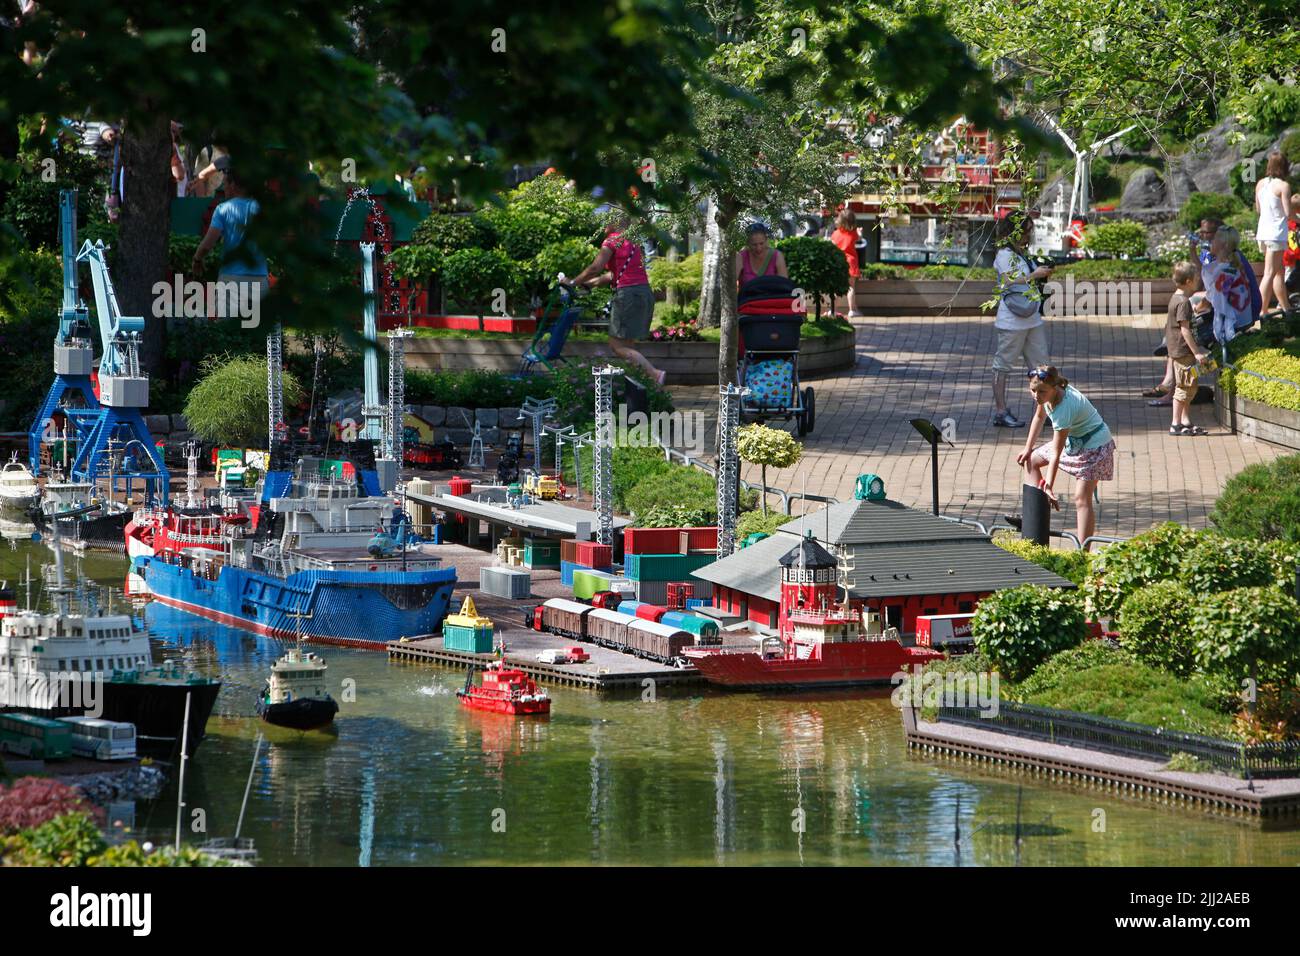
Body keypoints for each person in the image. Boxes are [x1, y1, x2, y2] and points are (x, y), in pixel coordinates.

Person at [1016, 366, 1116, 550]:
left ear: (1055, 388)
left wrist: (1049, 484)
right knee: (1031, 460)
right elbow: (1039, 418)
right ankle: (1034, 521)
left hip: (1095, 446)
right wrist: (1027, 448)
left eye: (1041, 392)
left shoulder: (1064, 409)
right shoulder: (1046, 394)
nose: (1037, 396)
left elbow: (1056, 451)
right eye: (1033, 390)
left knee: (1081, 498)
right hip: (1075, 441)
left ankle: (1082, 553)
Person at [569, 210, 666, 385]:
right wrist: (590, 284)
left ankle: (654, 374)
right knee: (628, 346)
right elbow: (614, 276)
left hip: (627, 296)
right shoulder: (634, 242)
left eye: (605, 221)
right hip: (643, 294)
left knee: (617, 346)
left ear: (614, 222)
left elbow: (595, 268)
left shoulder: (612, 241)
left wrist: (573, 282)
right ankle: (639, 385)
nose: (603, 225)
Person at [990, 212, 1053, 428]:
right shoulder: (1004, 255)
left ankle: (1046, 411)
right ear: (1014, 232)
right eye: (1026, 231)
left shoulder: (1021, 255)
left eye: (1030, 231)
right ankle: (1000, 411)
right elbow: (1008, 281)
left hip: (1032, 318)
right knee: (1003, 365)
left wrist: (1041, 273)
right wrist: (1034, 275)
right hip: (1012, 321)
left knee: (1041, 364)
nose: (1029, 236)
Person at [191, 167, 269, 298]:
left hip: (231, 281)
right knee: (259, 319)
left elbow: (207, 245)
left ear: (233, 185)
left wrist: (197, 260)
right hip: (260, 281)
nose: (223, 188)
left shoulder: (222, 209)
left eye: (225, 183)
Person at [1165, 262, 1210, 436]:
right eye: (1197, 278)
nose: (1199, 281)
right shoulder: (1183, 302)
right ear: (1189, 281)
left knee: (1189, 385)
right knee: (1184, 387)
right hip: (1183, 350)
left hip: (1178, 349)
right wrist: (1197, 352)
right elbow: (1185, 330)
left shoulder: (1175, 298)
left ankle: (1185, 420)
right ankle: (1175, 423)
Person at [1201, 225, 1255, 345]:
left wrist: (1197, 307)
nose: (1211, 241)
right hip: (1245, 317)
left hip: (1235, 324)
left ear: (1223, 245)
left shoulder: (1225, 272)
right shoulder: (1234, 264)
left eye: (1214, 239)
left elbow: (1215, 301)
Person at [1255, 150, 1293, 317]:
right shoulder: (1283, 186)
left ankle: (1286, 308)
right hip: (1276, 234)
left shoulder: (1260, 184)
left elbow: (1258, 209)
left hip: (1263, 232)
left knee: (1278, 272)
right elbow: (1288, 213)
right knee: (1270, 273)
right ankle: (1261, 312)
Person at [735, 221, 788, 290]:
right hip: (748, 299)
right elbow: (731, 282)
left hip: (772, 298)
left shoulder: (777, 256)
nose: (758, 248)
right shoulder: (741, 257)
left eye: (761, 243)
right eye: (754, 245)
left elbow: (784, 284)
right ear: (748, 243)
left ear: (766, 241)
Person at [829, 208, 862, 317]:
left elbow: (832, 244)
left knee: (836, 288)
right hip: (851, 262)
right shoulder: (853, 234)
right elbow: (859, 238)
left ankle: (832, 310)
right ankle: (852, 310)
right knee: (851, 287)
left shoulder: (835, 234)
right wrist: (860, 232)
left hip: (839, 262)